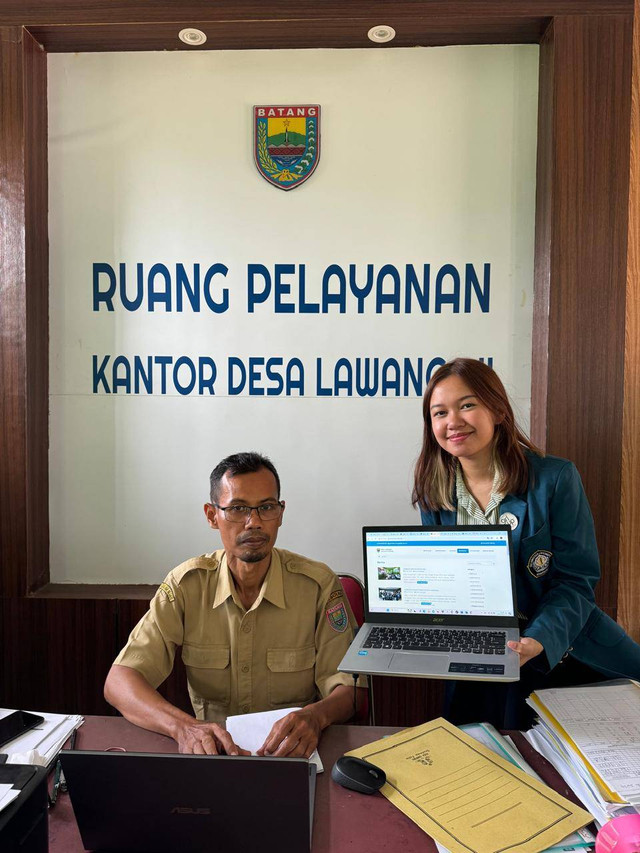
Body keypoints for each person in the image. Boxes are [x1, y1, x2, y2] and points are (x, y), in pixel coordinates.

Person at [412, 358, 640, 728]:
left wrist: (536, 639)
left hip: (564, 646)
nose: (452, 421)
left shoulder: (555, 479)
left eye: (467, 405)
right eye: (439, 413)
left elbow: (575, 581)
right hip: (482, 654)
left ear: (498, 409)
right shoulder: (434, 492)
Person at [105, 452, 366, 756]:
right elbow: (120, 682)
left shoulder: (318, 586)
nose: (253, 522)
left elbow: (351, 690)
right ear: (212, 516)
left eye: (266, 507)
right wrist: (184, 727)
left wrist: (315, 716)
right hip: (213, 757)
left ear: (280, 513)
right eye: (238, 508)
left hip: (293, 755)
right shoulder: (187, 585)